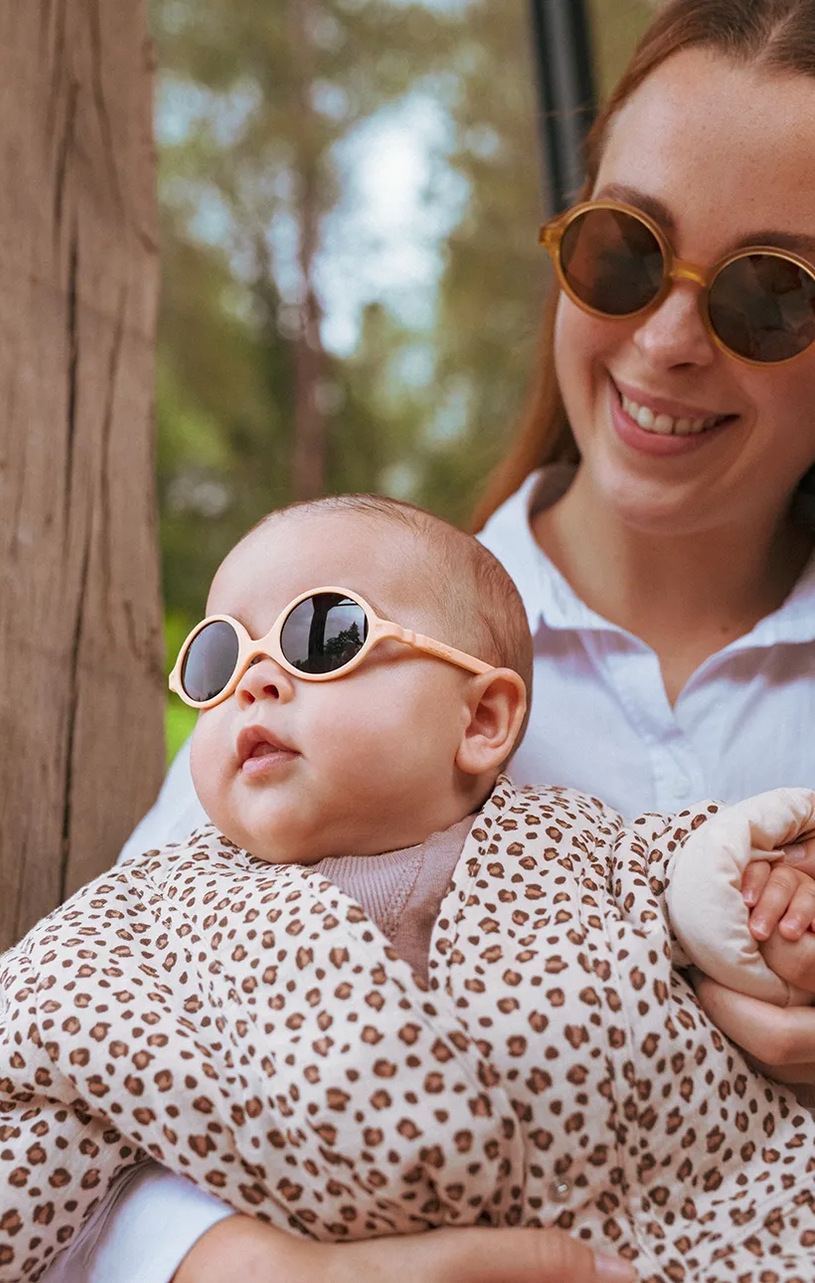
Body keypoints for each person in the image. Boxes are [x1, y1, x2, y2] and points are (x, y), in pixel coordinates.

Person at [43, 1, 815, 1279]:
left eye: (770, 294)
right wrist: (271, 1270)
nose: (668, 341)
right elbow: (83, 1070)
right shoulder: (345, 659)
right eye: (625, 252)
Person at [0, 494, 815, 1283]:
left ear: (480, 721)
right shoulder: (139, 924)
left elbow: (682, 870)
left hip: (691, 1231)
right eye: (219, 659)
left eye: (321, 635)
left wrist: (757, 904)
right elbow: (28, 1088)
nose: (254, 681)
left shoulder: (573, 841)